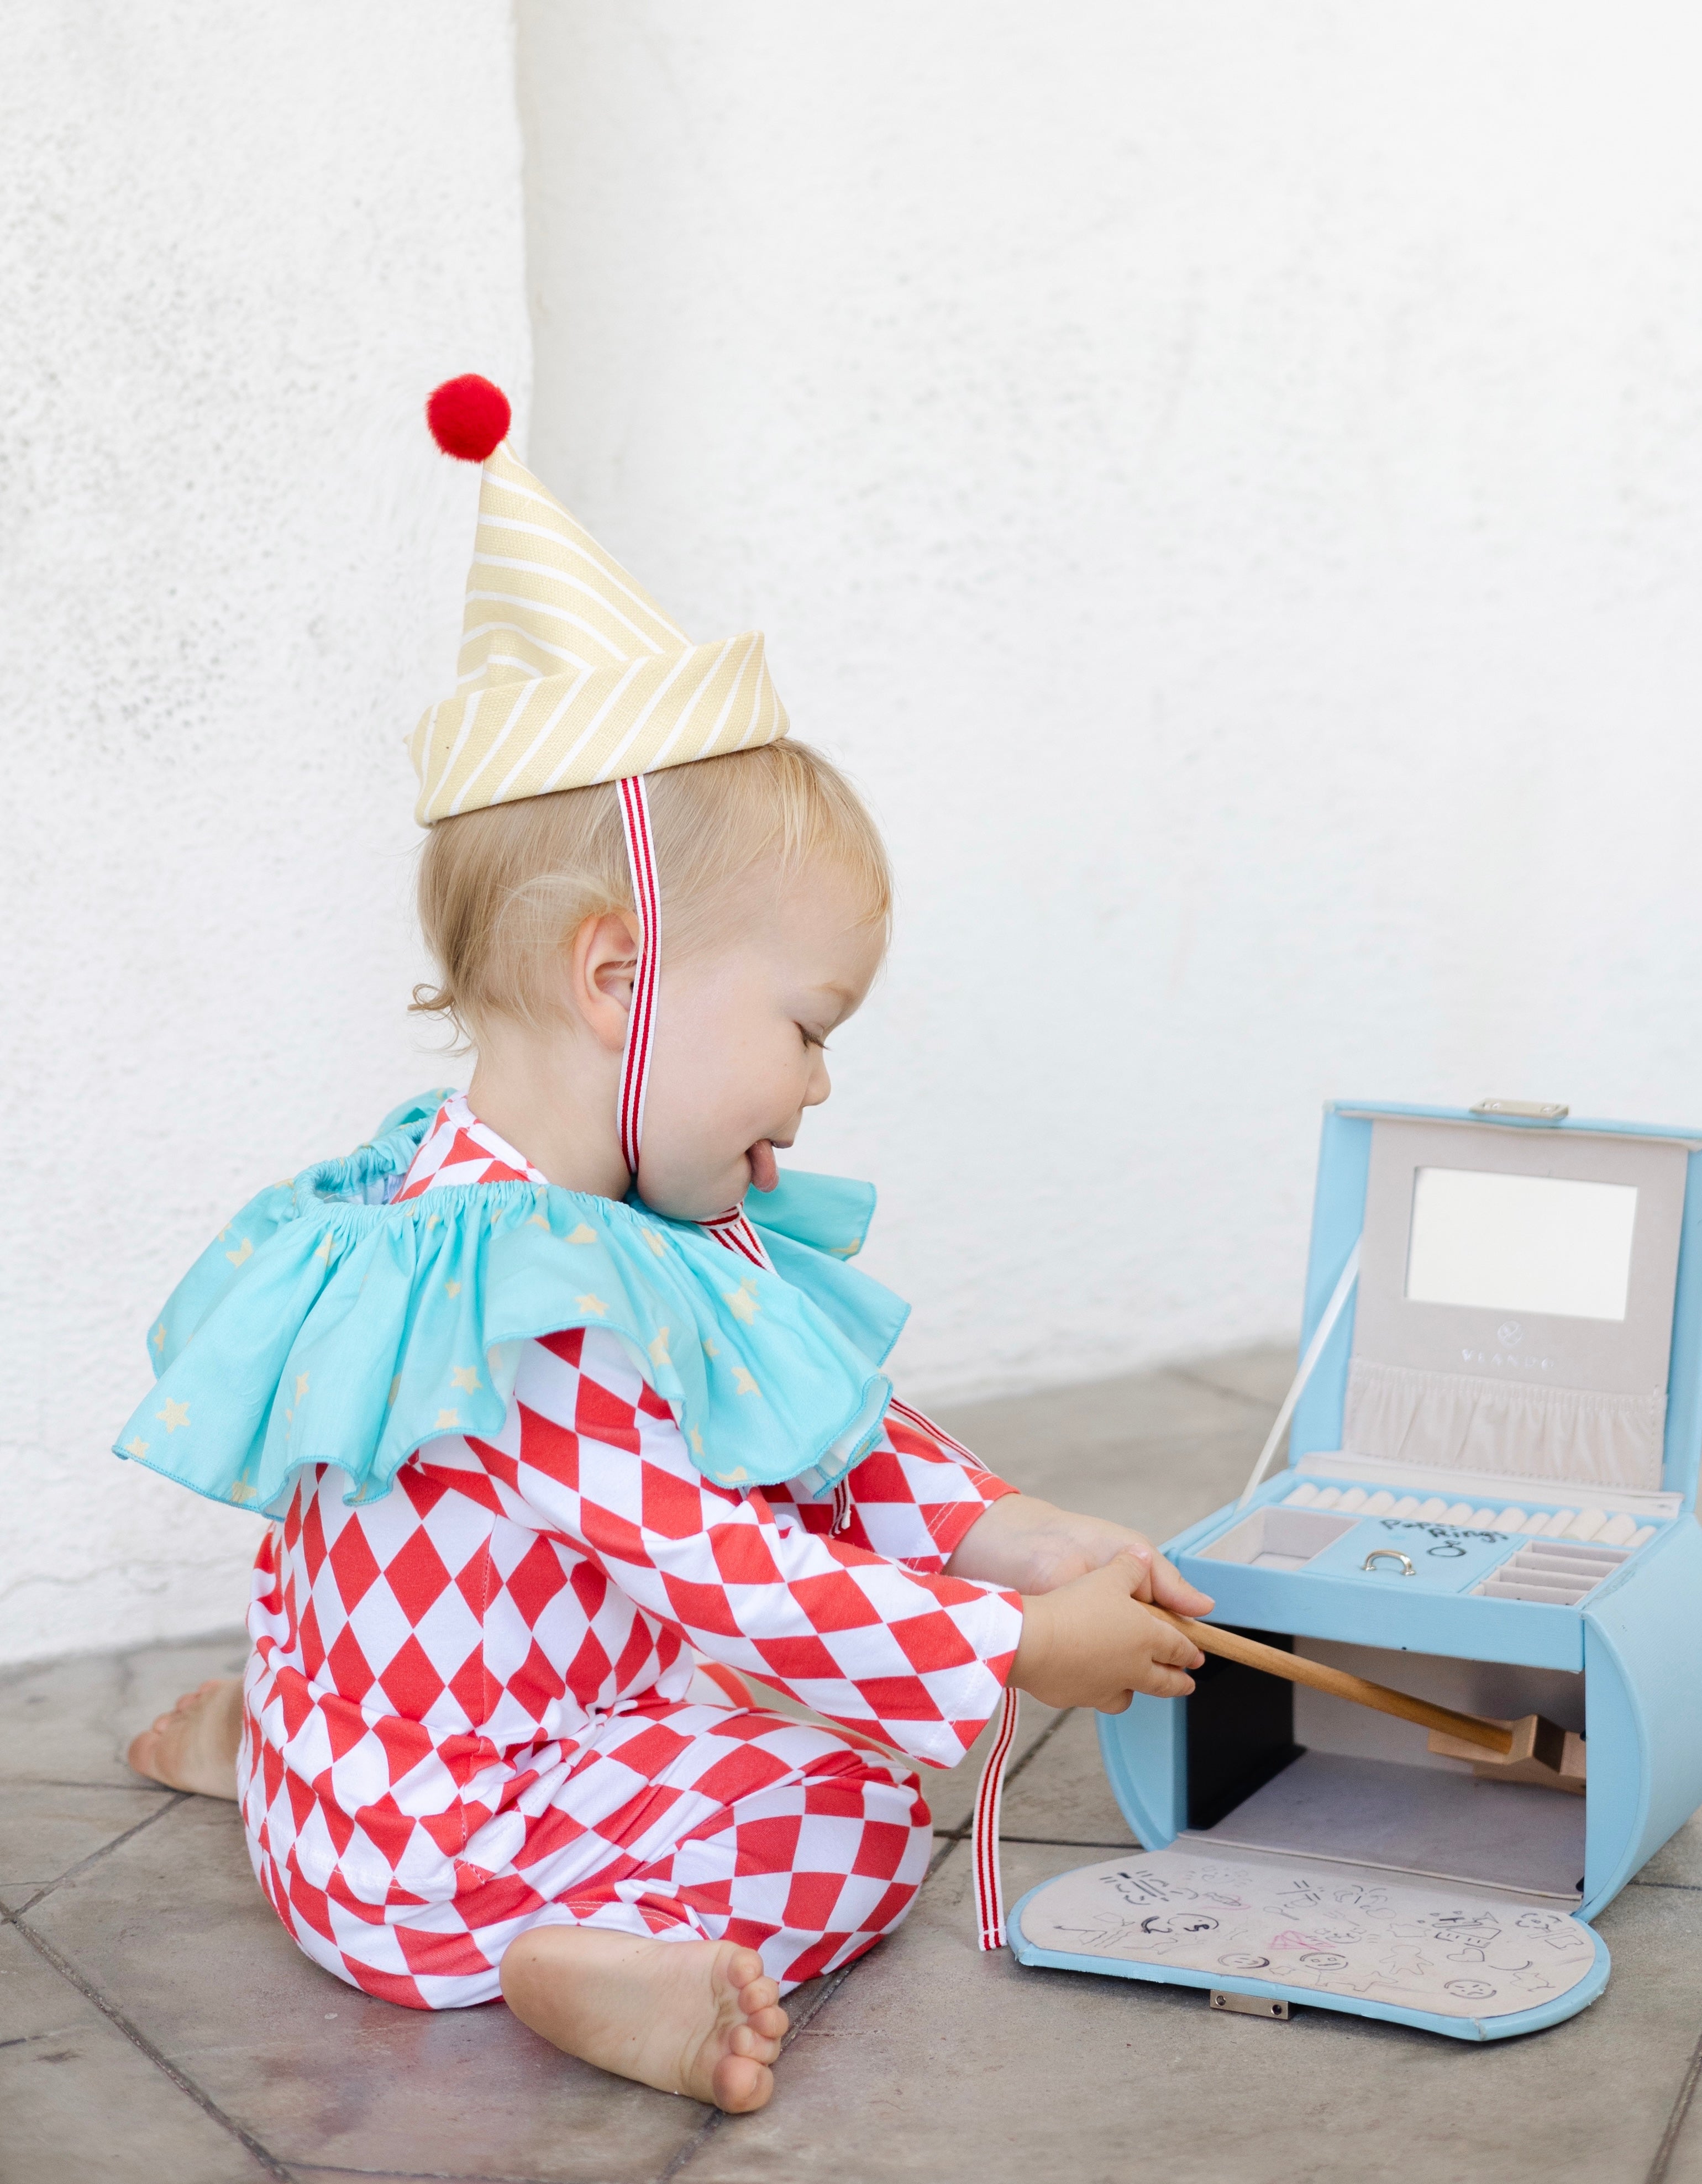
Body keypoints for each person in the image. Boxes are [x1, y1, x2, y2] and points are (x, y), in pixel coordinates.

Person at [120, 377, 1210, 2115]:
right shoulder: (534, 1300)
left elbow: (815, 1437)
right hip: (442, 1875)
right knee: (856, 1791)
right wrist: (1003, 1652)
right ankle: (577, 1952)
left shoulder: (497, 1208)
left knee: (538, 1672)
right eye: (803, 1020)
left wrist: (1008, 1532)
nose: (823, 1076)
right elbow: (725, 1565)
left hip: (365, 1793)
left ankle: (269, 1759)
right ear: (618, 978)